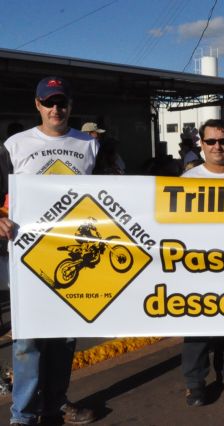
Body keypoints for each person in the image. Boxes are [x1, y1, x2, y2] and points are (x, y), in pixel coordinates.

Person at [0, 76, 98, 425]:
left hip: (73, 250)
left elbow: (108, 192)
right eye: (48, 102)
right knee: (28, 341)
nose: (56, 108)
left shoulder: (89, 144)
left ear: (70, 105)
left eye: (61, 102)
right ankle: (22, 415)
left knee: (65, 338)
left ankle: (55, 404)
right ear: (37, 105)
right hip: (28, 256)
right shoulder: (15, 145)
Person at [180, 119, 224, 407]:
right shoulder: (188, 180)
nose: (217, 146)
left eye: (222, 141)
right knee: (197, 326)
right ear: (201, 144)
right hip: (198, 266)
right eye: (211, 141)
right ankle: (194, 383)